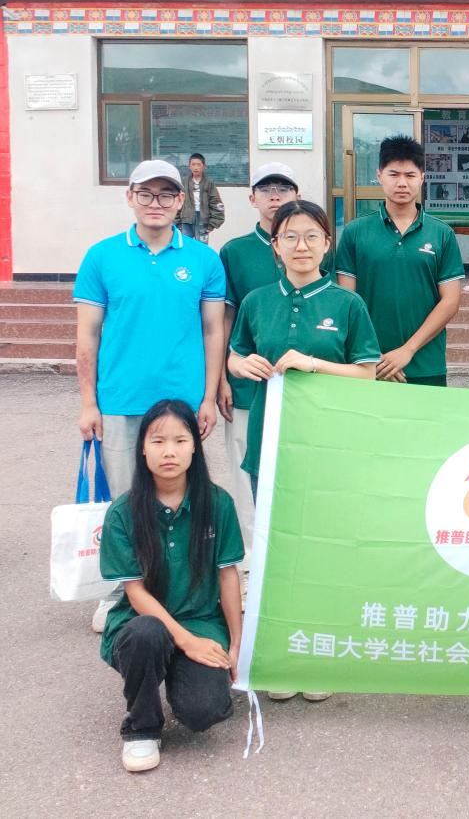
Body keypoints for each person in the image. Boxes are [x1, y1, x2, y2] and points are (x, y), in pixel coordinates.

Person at [229, 201, 379, 704]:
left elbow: (367, 372)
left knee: (319, 549)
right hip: (269, 441)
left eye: (312, 236)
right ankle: (281, 655)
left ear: (327, 244)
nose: (301, 246)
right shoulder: (256, 302)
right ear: (275, 246)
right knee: (275, 550)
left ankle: (317, 654)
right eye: (290, 237)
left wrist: (314, 363)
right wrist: (240, 365)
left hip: (326, 444)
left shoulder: (347, 304)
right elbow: (235, 354)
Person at [75, 159, 226, 633]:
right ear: (130, 198)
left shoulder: (203, 259)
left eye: (165, 194)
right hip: (121, 401)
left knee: (185, 499)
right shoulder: (102, 257)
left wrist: (207, 397)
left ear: (181, 201)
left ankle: (185, 591)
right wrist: (88, 402)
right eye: (145, 193)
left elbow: (213, 330)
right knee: (128, 502)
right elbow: (87, 336)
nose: (155, 203)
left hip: (182, 404)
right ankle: (123, 591)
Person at [99, 399, 243, 773]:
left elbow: (228, 575)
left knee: (204, 711)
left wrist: (236, 644)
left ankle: (177, 672)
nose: (169, 452)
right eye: (158, 441)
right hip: (140, 625)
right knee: (148, 635)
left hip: (200, 621)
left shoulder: (218, 503)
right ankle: (141, 728)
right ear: (142, 448)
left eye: (180, 441)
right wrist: (186, 641)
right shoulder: (123, 513)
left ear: (195, 447)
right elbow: (135, 593)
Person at [217, 163, 301, 572]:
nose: (275, 195)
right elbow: (224, 318)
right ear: (252, 198)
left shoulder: (311, 243)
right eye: (266, 189)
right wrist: (221, 376)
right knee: (245, 468)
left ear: (297, 196)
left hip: (303, 386)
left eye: (284, 188)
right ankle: (252, 559)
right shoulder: (235, 251)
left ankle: (292, 555)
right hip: (249, 383)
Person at [336, 136, 463, 387]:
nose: (402, 183)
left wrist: (408, 350)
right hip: (367, 363)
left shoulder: (442, 233)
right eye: (394, 174)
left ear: (422, 178)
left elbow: (450, 301)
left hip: (426, 364)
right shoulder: (355, 232)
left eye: (410, 175)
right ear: (379, 176)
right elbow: (346, 301)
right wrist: (372, 355)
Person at [176, 153, 225, 243]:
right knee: (186, 245)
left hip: (203, 220)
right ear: (189, 166)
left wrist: (213, 224)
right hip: (186, 219)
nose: (196, 167)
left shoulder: (209, 183)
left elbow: (216, 203)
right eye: (193, 164)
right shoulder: (184, 182)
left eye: (198, 164)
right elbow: (178, 202)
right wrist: (177, 222)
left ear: (204, 166)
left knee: (202, 246)